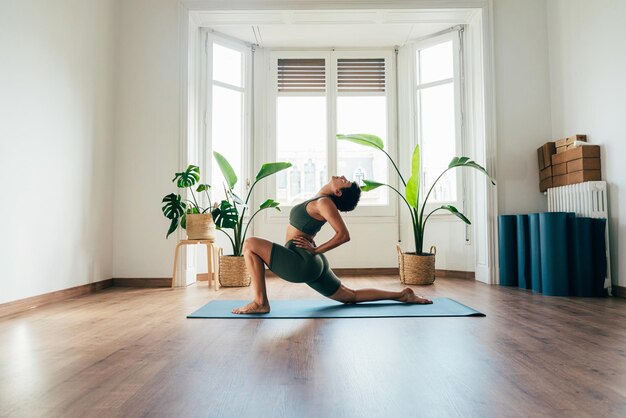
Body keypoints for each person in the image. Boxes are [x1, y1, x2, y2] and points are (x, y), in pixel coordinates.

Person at [233, 175, 433, 314]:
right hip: (311, 261)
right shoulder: (321, 200)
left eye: (345, 182)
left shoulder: (324, 203)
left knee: (250, 243)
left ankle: (260, 302)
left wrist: (315, 249)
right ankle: (402, 295)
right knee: (350, 296)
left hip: (302, 260)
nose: (342, 176)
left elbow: (343, 235)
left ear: (338, 192)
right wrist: (314, 251)